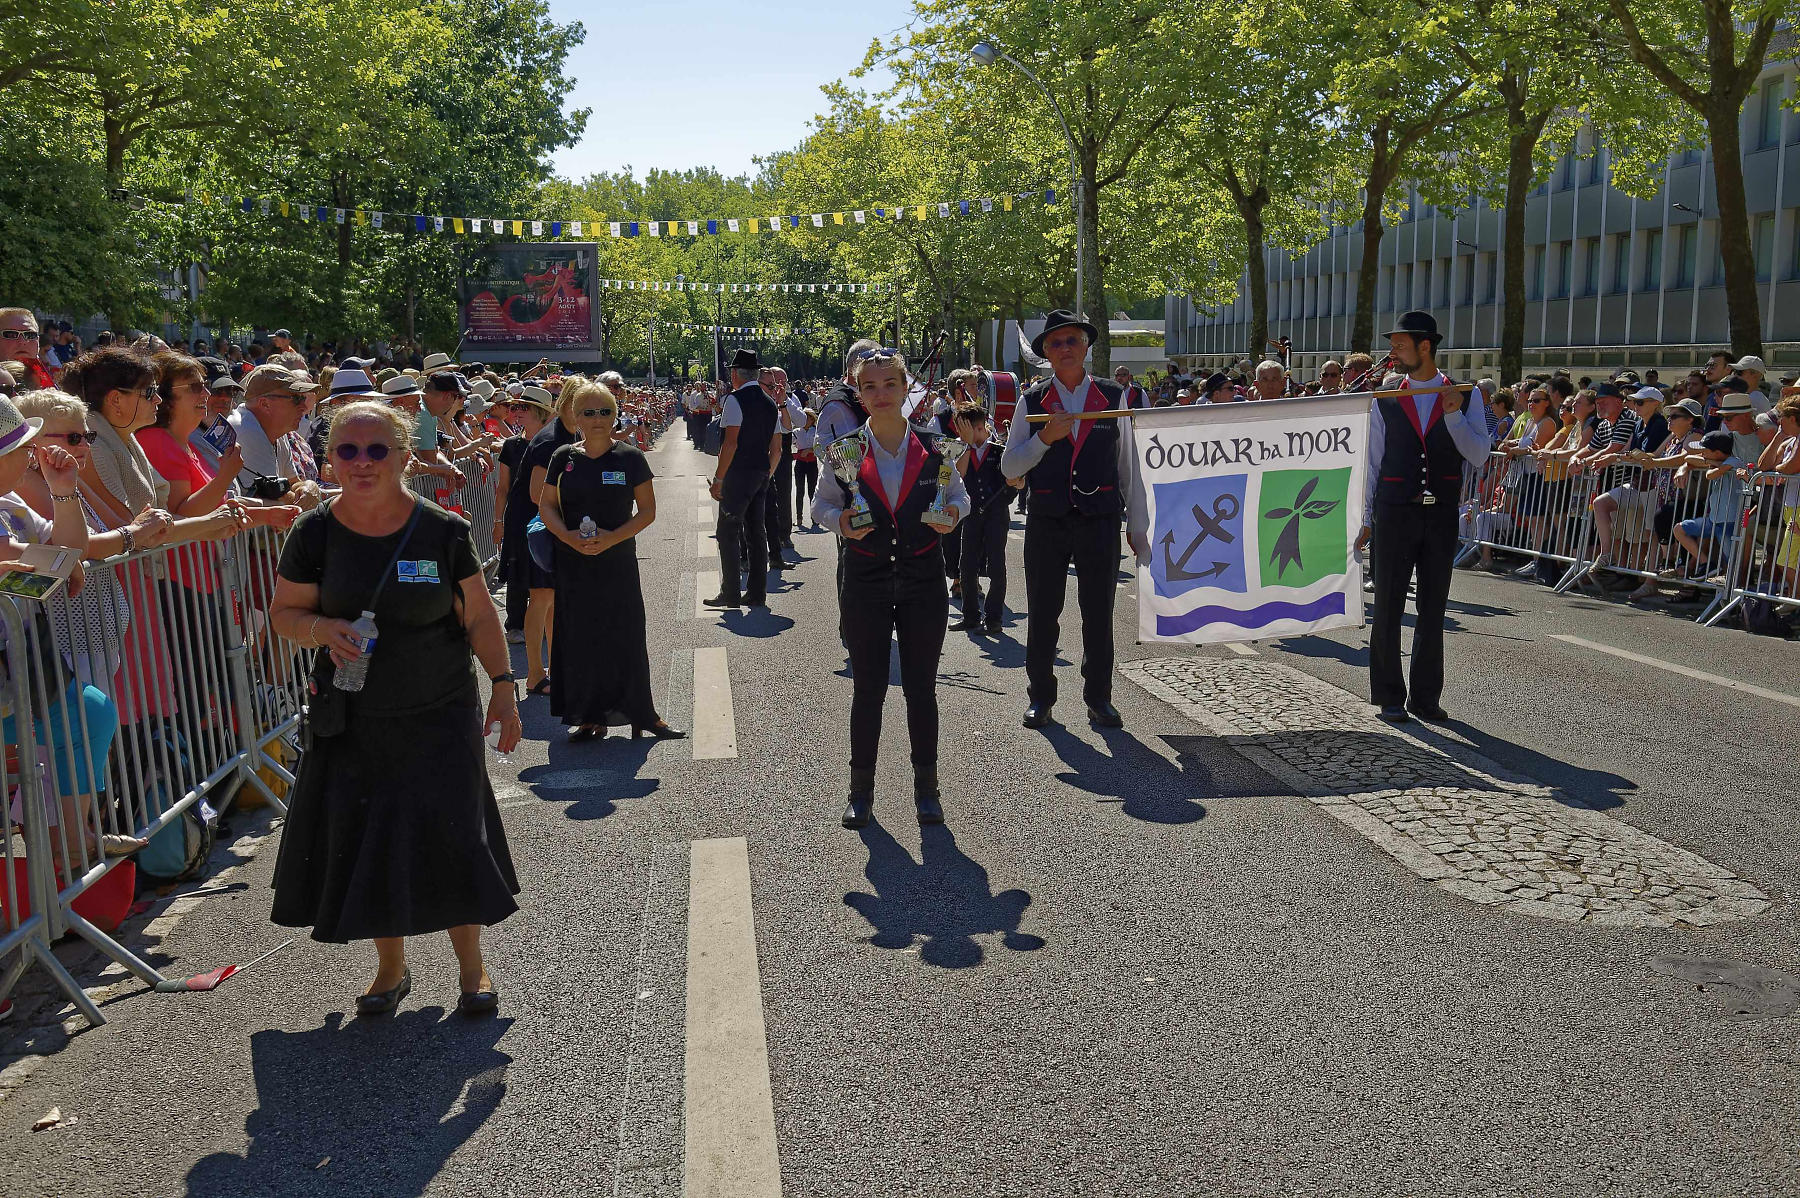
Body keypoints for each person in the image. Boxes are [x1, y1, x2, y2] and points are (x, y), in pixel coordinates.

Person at [268, 399, 521, 1018]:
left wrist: (505, 688)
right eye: (347, 451)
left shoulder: (443, 530)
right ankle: (391, 966)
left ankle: (472, 966)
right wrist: (321, 628)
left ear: (405, 457)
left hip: (440, 706)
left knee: (454, 830)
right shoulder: (314, 533)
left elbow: (481, 616)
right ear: (328, 458)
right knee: (370, 835)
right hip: (355, 715)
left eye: (376, 450)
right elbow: (284, 615)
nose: (361, 462)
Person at [811, 348, 964, 828]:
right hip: (866, 579)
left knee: (921, 689)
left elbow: (957, 496)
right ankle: (861, 791)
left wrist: (952, 515)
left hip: (922, 579)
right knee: (869, 689)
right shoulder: (845, 450)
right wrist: (841, 523)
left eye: (889, 385)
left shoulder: (936, 446)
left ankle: (927, 789)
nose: (880, 394)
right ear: (858, 392)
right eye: (870, 386)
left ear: (905, 390)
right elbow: (821, 506)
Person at [1000, 310, 1143, 729]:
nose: (1065, 349)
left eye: (1072, 341)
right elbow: (1011, 468)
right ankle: (1040, 697)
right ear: (1045, 351)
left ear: (1086, 347)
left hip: (1099, 519)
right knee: (1044, 613)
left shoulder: (1113, 395)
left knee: (1099, 613)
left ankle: (1099, 696)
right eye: (1056, 343)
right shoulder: (1032, 399)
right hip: (1048, 519)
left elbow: (1128, 465)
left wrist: (1137, 522)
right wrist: (1045, 438)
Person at [0, 395, 127, 865]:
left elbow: (67, 550)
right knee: (87, 715)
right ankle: (66, 848)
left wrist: (63, 489)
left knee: (91, 714)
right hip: (11, 667)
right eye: (21, 447)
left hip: (19, 665)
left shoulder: (11, 503)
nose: (31, 453)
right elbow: (10, 562)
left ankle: (72, 842)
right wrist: (55, 568)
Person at [1355, 311, 1491, 723]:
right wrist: (1364, 518)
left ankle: (1426, 697)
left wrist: (1452, 415)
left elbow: (1480, 454)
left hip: (1442, 514)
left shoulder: (1466, 394)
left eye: (1399, 344)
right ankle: (1390, 695)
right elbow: (1371, 460)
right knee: (1389, 604)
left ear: (1425, 346)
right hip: (1394, 511)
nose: (1392, 351)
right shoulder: (1387, 393)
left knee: (1433, 607)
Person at [536, 380, 684, 742]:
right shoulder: (563, 457)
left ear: (615, 415)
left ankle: (643, 715)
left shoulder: (629, 457)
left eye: (605, 411)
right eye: (589, 412)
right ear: (575, 416)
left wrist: (612, 538)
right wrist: (568, 536)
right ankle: (589, 717)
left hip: (617, 561)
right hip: (574, 562)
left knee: (626, 634)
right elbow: (546, 507)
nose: (598, 419)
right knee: (581, 637)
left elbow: (647, 512)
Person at [704, 349, 781, 609]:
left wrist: (718, 479)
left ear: (735, 374)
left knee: (727, 532)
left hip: (738, 474)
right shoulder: (771, 403)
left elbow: (730, 444)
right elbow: (777, 448)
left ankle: (731, 592)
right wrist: (767, 473)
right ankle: (757, 593)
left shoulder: (735, 400)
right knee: (756, 532)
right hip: (761, 472)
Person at [949, 401, 1021, 634]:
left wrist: (1015, 485)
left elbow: (1014, 484)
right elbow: (959, 475)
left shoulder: (999, 452)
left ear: (980, 428)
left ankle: (994, 618)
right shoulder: (960, 450)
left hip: (996, 515)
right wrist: (966, 444)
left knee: (996, 565)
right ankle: (970, 616)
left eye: (965, 429)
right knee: (966, 565)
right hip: (972, 515)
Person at [494, 390, 553, 643]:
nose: (517, 412)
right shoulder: (511, 446)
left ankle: (546, 622)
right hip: (518, 516)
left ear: (540, 413)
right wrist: (498, 521)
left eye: (523, 408)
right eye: (516, 407)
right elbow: (503, 488)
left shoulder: (556, 445)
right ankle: (515, 625)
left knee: (544, 569)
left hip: (548, 514)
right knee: (517, 569)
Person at [793, 406, 820, 528]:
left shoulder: (816, 431)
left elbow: (821, 448)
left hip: (812, 463)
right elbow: (788, 448)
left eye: (807, 418)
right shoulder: (796, 431)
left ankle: (815, 518)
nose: (805, 420)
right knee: (800, 491)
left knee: (812, 491)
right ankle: (799, 517)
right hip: (800, 464)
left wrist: (810, 450)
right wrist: (800, 453)